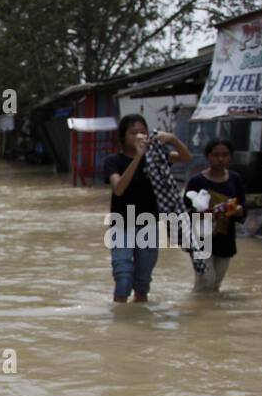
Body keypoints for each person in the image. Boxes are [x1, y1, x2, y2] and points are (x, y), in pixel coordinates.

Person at [103, 113, 191, 303]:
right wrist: (137, 158)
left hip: (149, 224)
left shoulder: (156, 157)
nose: (139, 136)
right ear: (123, 137)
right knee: (123, 279)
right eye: (133, 133)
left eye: (143, 132)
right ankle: (119, 321)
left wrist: (173, 140)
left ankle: (139, 319)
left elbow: (185, 157)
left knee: (142, 282)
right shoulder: (113, 161)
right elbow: (118, 189)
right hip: (121, 225)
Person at [184, 139, 246, 292]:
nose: (220, 159)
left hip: (225, 239)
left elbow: (243, 206)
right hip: (200, 239)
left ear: (230, 157)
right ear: (208, 157)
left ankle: (208, 312)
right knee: (206, 280)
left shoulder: (235, 179)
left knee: (215, 283)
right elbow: (184, 211)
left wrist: (235, 209)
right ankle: (197, 313)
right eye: (216, 155)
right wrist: (203, 213)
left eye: (225, 155)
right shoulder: (196, 181)